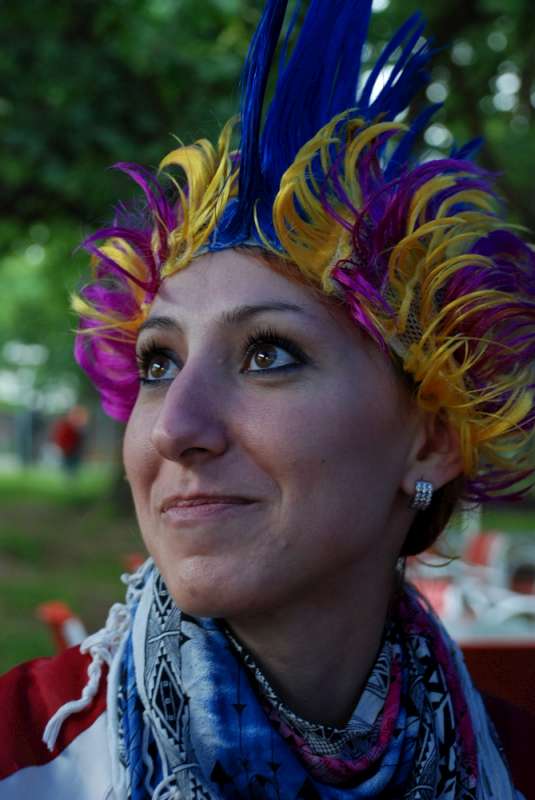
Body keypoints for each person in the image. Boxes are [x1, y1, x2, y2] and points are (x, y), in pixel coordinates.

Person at [1, 1, 534, 797]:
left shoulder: (514, 768)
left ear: (430, 439)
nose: (175, 428)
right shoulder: (21, 758)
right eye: (157, 363)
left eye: (267, 353)